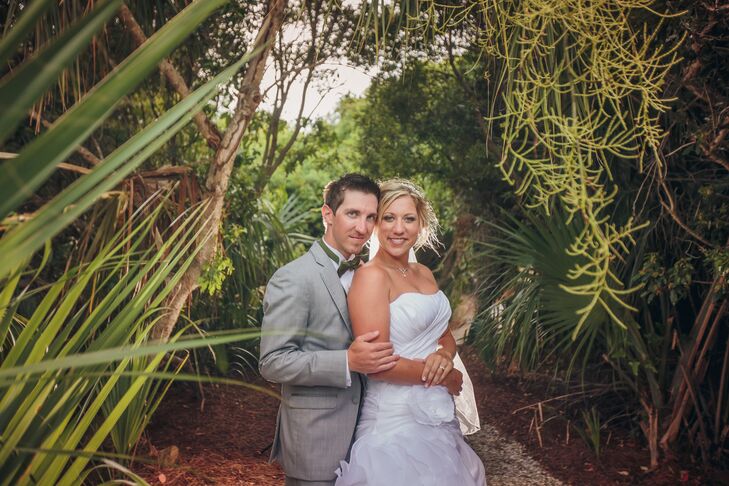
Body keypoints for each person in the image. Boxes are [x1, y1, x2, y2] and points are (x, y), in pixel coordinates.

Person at [335, 179, 486, 485]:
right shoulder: (371, 278)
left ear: (421, 225)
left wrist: (445, 353)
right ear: (376, 224)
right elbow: (378, 366)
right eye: (388, 218)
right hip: (394, 427)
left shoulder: (424, 273)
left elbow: (442, 333)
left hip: (437, 422)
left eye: (408, 219)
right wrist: (445, 377)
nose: (398, 229)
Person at [259, 174, 400, 486]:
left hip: (370, 437)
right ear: (327, 214)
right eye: (352, 214)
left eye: (370, 217)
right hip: (316, 440)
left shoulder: (372, 275)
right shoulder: (293, 277)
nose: (362, 228)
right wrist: (346, 362)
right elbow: (273, 362)